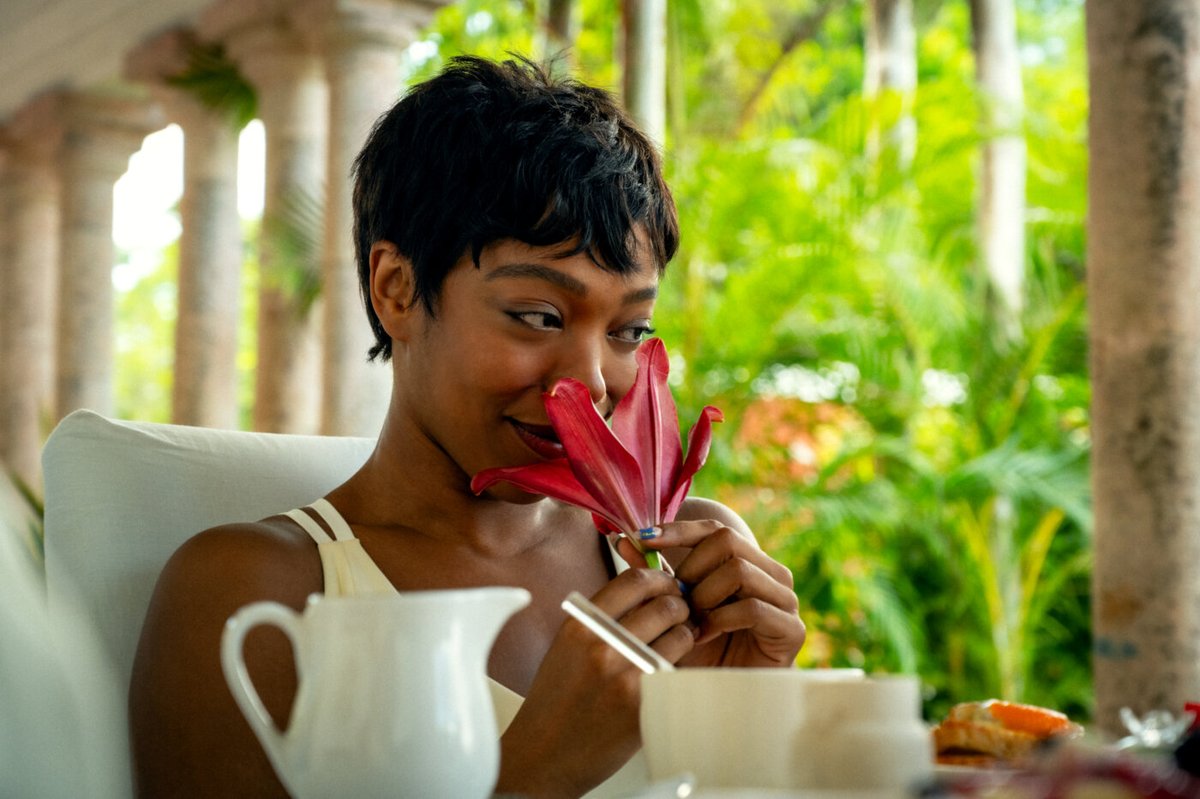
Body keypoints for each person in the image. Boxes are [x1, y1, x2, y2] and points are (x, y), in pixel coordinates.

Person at [129, 55, 805, 798]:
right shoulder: (256, 593)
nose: (589, 383)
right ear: (397, 289)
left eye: (629, 330)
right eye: (538, 316)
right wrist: (535, 770)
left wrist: (760, 719)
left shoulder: (693, 567)